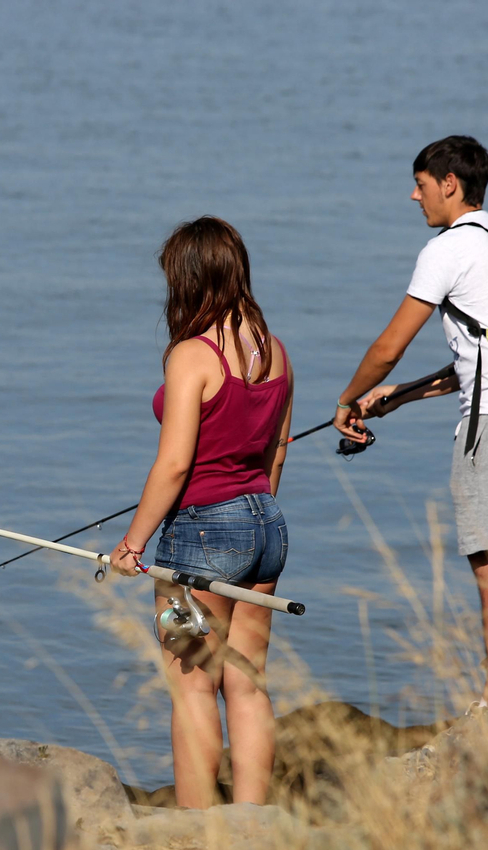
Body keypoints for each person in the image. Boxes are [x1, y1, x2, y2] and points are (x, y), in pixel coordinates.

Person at [332, 136, 488, 705]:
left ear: (449, 184)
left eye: (421, 184)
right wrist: (400, 397)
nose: (414, 196)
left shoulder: (448, 248)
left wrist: (347, 397)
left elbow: (389, 345)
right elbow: (479, 357)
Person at [109, 217, 294, 809]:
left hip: (201, 538)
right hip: (267, 528)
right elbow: (277, 451)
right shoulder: (275, 351)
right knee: (247, 684)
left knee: (191, 685)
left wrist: (133, 544)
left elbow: (172, 466)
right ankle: (250, 822)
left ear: (188, 278)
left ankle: (195, 832)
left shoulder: (193, 355)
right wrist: (254, 509)